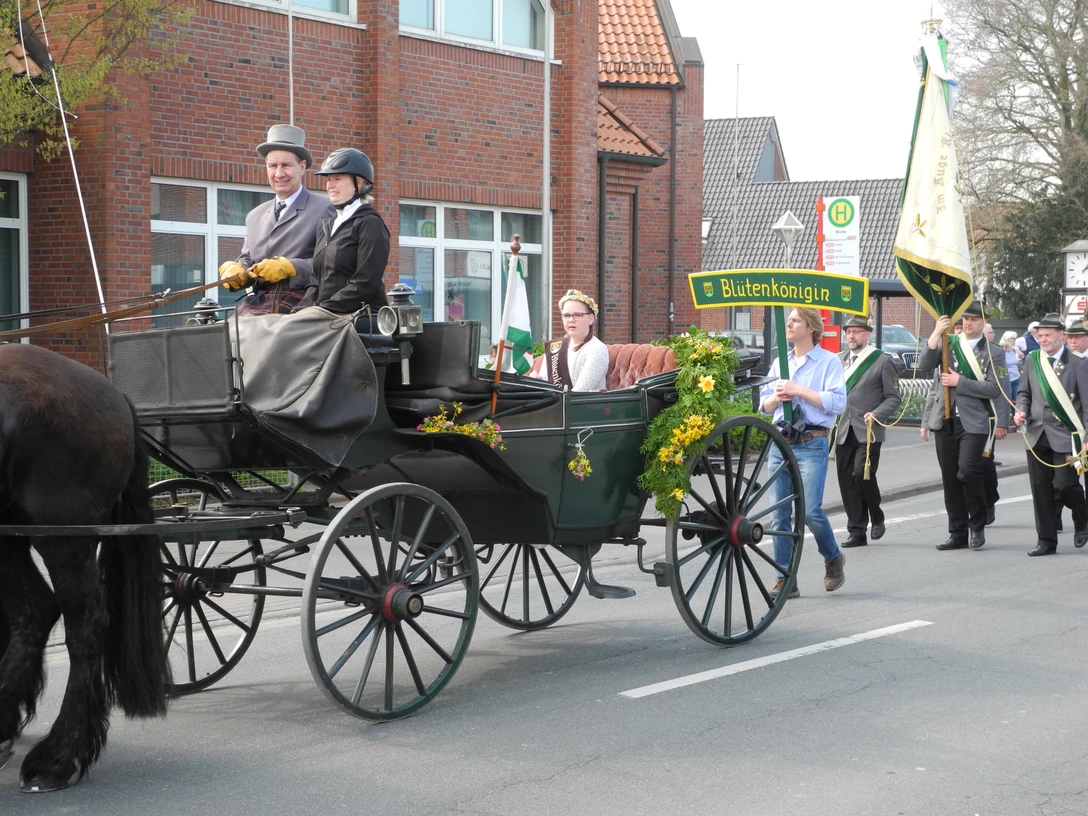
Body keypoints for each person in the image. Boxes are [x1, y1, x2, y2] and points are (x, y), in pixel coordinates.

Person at [760, 307, 847, 598]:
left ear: (810, 327)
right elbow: (763, 405)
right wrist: (776, 397)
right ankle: (785, 577)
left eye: (795, 320)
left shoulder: (828, 361)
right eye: (789, 320)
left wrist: (799, 390)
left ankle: (833, 557)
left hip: (812, 441)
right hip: (781, 441)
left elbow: (837, 403)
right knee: (778, 515)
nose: (789, 324)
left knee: (810, 511)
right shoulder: (779, 362)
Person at [919, 301, 1009, 550]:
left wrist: (961, 381)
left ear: (984, 322)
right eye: (964, 320)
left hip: (975, 421)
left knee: (967, 471)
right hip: (945, 419)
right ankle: (957, 532)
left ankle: (977, 525)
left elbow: (995, 388)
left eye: (973, 319)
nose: (967, 323)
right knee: (950, 479)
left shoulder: (993, 351)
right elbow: (927, 367)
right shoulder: (949, 344)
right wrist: (936, 333)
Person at [219, 124, 336, 315]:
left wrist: (291, 267)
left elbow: (333, 266)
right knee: (224, 338)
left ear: (302, 166)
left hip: (303, 303)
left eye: (286, 165)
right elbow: (248, 258)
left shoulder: (325, 209)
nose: (279, 173)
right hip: (258, 302)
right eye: (272, 166)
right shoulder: (254, 216)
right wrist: (237, 270)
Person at [1014, 313, 1088, 556]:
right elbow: (1024, 393)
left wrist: (1086, 437)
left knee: (1066, 485)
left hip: (1066, 434)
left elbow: (1086, 405)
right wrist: (1021, 411)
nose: (1043, 340)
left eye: (1047, 336)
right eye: (1040, 336)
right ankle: (1046, 540)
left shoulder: (1078, 364)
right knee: (1040, 488)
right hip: (1036, 432)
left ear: (1061, 336)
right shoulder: (1032, 360)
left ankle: (1081, 517)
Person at [834, 315, 902, 548]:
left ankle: (877, 514)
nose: (851, 336)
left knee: (861, 475)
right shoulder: (838, 360)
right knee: (846, 480)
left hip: (869, 430)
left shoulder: (881, 360)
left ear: (867, 333)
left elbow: (894, 397)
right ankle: (857, 530)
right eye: (848, 332)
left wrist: (877, 413)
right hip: (844, 429)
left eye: (856, 331)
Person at [298, 148, 390, 316]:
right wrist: (300, 311)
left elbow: (365, 283)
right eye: (329, 179)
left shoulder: (370, 224)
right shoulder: (326, 225)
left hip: (359, 318)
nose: (330, 185)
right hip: (323, 316)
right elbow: (314, 282)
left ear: (359, 183)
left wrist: (323, 310)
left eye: (337, 179)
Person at [530, 289, 609, 391]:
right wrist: (538, 382)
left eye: (577, 315)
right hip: (555, 404)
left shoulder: (597, 349)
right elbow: (546, 386)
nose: (571, 319)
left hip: (580, 405)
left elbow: (579, 393)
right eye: (566, 315)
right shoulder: (555, 347)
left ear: (591, 318)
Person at [1000, 330, 1021, 398]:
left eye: (1016, 338)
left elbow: (1021, 356)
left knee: (1016, 400)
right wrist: (1002, 379)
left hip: (1016, 378)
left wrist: (1017, 350)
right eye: (1013, 339)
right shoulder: (1001, 350)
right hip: (1006, 380)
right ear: (1007, 339)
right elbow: (1000, 366)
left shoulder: (1013, 349)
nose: (1015, 340)